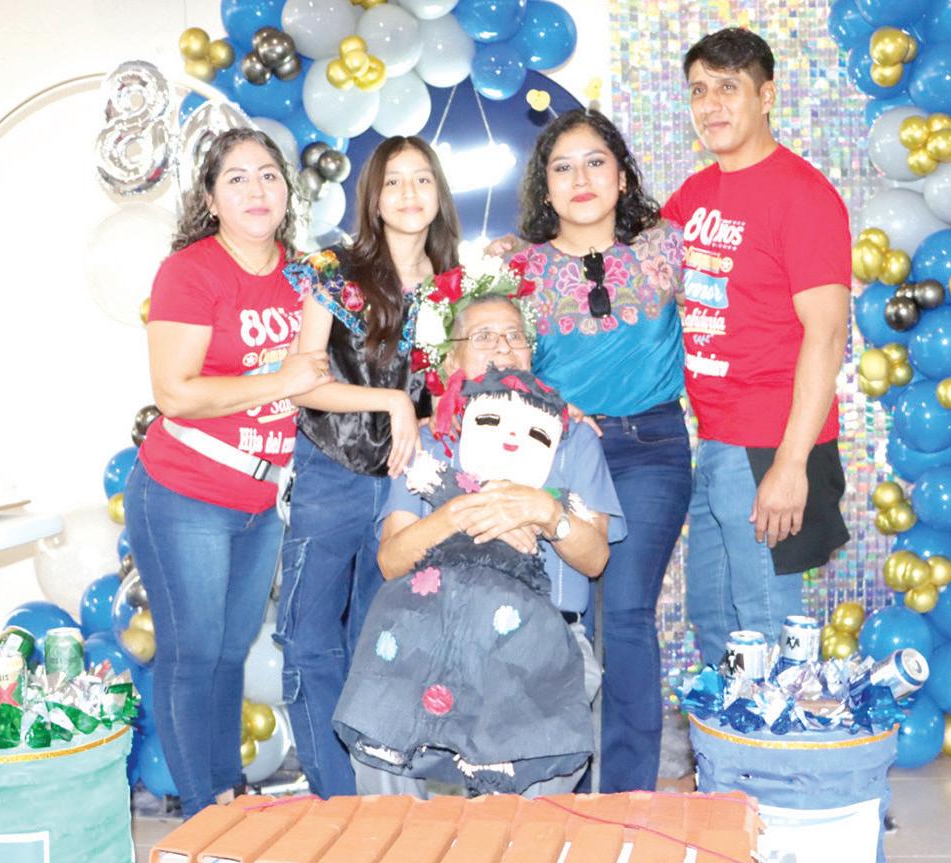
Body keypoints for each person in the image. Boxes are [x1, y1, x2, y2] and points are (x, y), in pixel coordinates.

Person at [347, 274, 625, 797]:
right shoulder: (430, 442)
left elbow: (595, 559)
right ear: (450, 361)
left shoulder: (571, 440)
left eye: (515, 335)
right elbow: (391, 562)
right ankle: (397, 845)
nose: (502, 346)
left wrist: (546, 512)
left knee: (535, 771)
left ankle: (514, 842)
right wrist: (462, 511)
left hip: (544, 638)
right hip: (431, 631)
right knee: (380, 727)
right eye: (483, 336)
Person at [124, 127, 329, 818]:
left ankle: (226, 796)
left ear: (287, 191)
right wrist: (278, 378)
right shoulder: (190, 271)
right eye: (235, 178)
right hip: (184, 492)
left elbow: (319, 378)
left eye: (268, 174)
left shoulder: (306, 274)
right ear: (210, 199)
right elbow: (176, 393)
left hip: (261, 499)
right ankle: (202, 812)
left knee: (228, 653)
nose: (256, 189)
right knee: (192, 653)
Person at [276, 135, 460, 799]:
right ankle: (337, 800)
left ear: (439, 194)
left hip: (405, 489)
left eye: (422, 179)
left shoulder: (456, 287)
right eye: (394, 181)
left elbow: (458, 390)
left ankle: (381, 799)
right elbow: (302, 383)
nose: (409, 194)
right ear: (373, 199)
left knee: (377, 644)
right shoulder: (334, 270)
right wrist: (391, 401)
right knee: (307, 639)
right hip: (331, 470)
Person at [660, 28, 851, 665]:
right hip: (717, 440)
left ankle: (777, 739)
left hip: (772, 443)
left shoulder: (803, 195)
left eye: (728, 87)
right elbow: (631, 271)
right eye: (698, 90)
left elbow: (827, 335)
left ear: (766, 96)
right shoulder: (694, 196)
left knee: (767, 631)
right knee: (716, 625)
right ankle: (724, 740)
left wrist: (790, 466)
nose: (710, 104)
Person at [511, 109, 689, 793]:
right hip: (558, 456)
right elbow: (493, 368)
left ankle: (625, 795)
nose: (580, 178)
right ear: (545, 187)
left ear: (621, 177)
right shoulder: (516, 270)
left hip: (651, 450)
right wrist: (551, 408)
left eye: (594, 162)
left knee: (626, 612)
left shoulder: (666, 249)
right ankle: (557, 781)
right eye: (562, 167)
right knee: (564, 616)